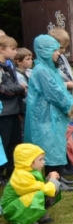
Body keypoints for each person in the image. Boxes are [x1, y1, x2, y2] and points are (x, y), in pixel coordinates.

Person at [23, 35, 73, 190]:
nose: (58, 53)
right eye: (55, 50)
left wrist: (70, 105)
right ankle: (52, 180)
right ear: (45, 51)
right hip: (46, 115)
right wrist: (71, 108)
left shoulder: (50, 68)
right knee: (50, 146)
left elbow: (60, 89)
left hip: (55, 114)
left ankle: (59, 176)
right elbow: (55, 93)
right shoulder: (41, 71)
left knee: (58, 143)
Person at [0, 143, 61, 224]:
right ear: (28, 161)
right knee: (39, 195)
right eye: (40, 159)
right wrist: (52, 180)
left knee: (50, 189)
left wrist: (49, 180)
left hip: (18, 206)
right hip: (12, 210)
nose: (43, 162)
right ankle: (27, 222)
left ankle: (39, 216)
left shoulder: (30, 171)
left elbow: (41, 187)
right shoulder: (21, 175)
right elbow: (43, 189)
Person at [0, 35, 26, 184]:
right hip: (3, 113)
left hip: (14, 110)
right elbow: (3, 89)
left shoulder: (8, 67)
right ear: (1, 49)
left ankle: (11, 170)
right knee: (4, 143)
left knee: (15, 142)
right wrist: (19, 88)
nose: (15, 52)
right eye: (13, 49)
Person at [48, 28, 73, 99]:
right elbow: (49, 85)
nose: (64, 50)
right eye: (61, 48)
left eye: (65, 47)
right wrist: (65, 85)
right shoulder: (48, 62)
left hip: (68, 96)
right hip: (58, 97)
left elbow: (67, 72)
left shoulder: (62, 57)